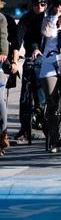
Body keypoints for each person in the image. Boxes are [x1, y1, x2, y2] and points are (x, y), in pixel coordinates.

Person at [39, 0, 61, 153]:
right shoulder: (47, 19)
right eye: (58, 5)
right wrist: (54, 17)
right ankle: (53, 139)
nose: (60, 7)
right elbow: (47, 33)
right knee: (52, 103)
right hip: (49, 61)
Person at [13, 0, 48, 142]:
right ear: (31, 5)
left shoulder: (49, 18)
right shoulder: (26, 18)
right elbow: (17, 40)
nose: (39, 7)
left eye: (43, 4)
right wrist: (14, 61)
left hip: (47, 57)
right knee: (25, 94)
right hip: (29, 56)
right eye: (36, 5)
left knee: (41, 85)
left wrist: (40, 49)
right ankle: (24, 128)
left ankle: (43, 113)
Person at [0, 12, 9, 156]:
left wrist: (2, 52)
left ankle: (3, 133)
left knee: (0, 99)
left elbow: (3, 37)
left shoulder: (0, 17)